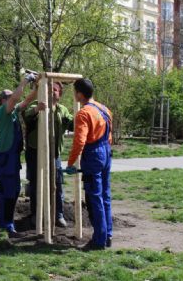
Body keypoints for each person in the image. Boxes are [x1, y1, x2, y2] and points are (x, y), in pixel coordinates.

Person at [66, 78, 113, 251]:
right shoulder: (104, 109)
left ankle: (99, 240)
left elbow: (79, 141)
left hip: (94, 155)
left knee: (95, 198)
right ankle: (108, 236)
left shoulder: (84, 113)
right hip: (106, 152)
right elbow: (109, 134)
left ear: (79, 94)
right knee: (105, 196)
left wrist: (71, 163)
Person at [0, 73, 37, 238]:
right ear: (3, 100)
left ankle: (0, 219)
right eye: (10, 97)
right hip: (4, 159)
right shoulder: (3, 112)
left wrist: (37, 86)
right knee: (10, 191)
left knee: (8, 190)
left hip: (10, 158)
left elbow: (26, 101)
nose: (15, 98)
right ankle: (8, 225)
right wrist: (25, 80)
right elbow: (18, 97)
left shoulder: (12, 111)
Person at [23, 82, 73, 227]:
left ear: (60, 94)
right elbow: (26, 115)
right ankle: (36, 215)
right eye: (49, 90)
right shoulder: (36, 105)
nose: (52, 93)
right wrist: (37, 109)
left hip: (54, 156)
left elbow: (71, 123)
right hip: (35, 153)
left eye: (55, 90)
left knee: (57, 185)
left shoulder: (62, 110)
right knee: (36, 185)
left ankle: (58, 215)